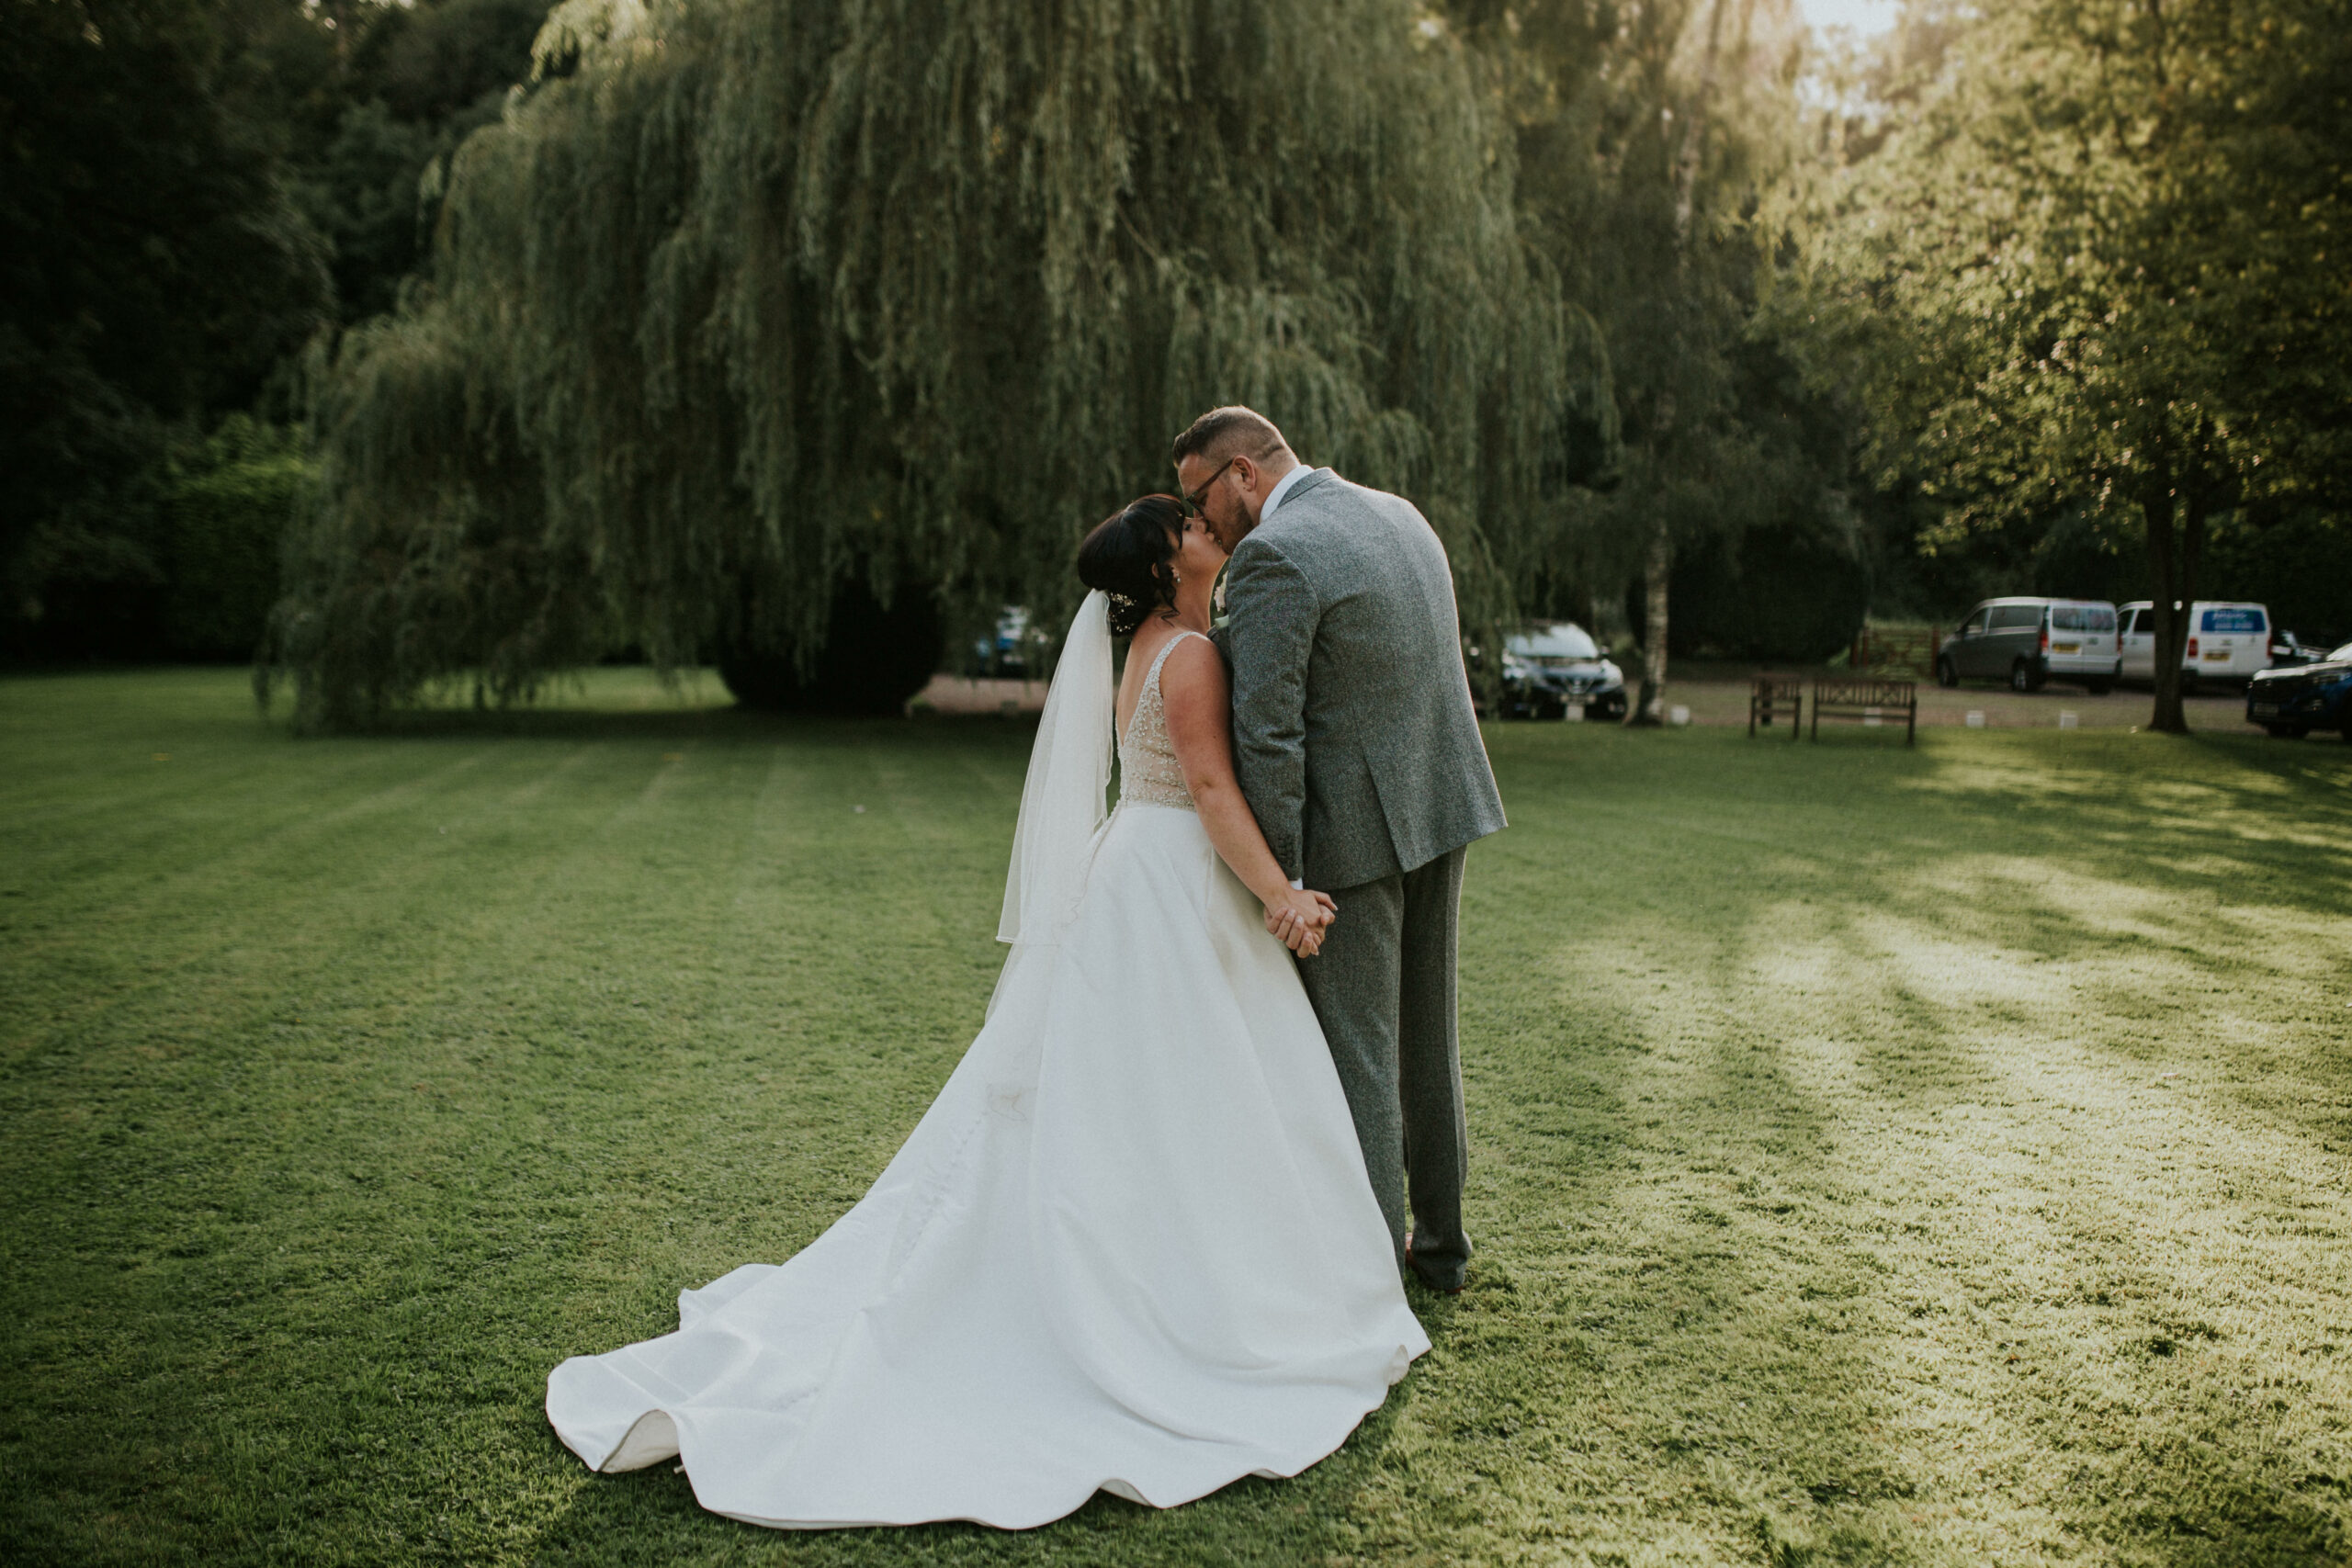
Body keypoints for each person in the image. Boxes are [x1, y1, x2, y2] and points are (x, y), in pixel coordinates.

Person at [545, 496, 1427, 1529]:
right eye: (1188, 523)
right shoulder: (1187, 655)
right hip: (1169, 880)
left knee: (1148, 1090)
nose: (1207, 527)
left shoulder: (1152, 641)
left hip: (1136, 871)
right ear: (1162, 563)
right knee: (1183, 1090)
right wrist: (1280, 893)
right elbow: (1206, 783)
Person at [1171, 407, 1507, 1294]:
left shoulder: (1276, 557)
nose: (1199, 522)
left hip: (1354, 840)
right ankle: (1441, 1249)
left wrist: (1282, 881)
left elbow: (1270, 734)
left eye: (1199, 497)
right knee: (1429, 1038)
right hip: (1442, 807)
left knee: (1360, 1054)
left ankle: (1366, 1279)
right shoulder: (1400, 513)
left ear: (1243, 472)